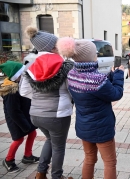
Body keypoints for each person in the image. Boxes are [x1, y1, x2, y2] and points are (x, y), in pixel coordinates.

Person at [57, 37, 124, 179]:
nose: (97, 55)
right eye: (95, 53)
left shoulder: (72, 75)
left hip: (84, 126)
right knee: (110, 162)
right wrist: (118, 75)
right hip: (102, 128)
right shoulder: (97, 80)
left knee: (89, 159)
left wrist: (110, 76)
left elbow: (100, 89)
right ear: (90, 56)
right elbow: (116, 94)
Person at [20, 26, 74, 179]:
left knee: (50, 140)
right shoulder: (64, 64)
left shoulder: (29, 63)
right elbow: (71, 89)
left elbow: (23, 91)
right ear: (52, 47)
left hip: (35, 114)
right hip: (58, 114)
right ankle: (57, 176)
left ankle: (40, 173)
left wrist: (39, 97)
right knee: (58, 147)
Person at [0, 61, 39, 173]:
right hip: (16, 120)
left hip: (24, 116)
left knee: (32, 133)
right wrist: (24, 125)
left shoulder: (20, 85)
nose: (24, 76)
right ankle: (9, 160)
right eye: (22, 74)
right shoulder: (11, 91)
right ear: (16, 76)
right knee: (18, 139)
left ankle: (28, 156)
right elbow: (13, 111)